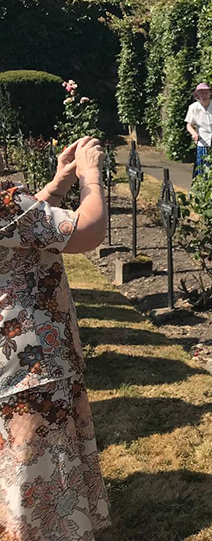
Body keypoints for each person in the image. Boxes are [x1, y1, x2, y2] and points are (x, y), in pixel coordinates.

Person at [0, 136, 111, 539]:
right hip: (31, 369)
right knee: (41, 488)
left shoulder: (8, 208)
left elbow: (19, 227)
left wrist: (57, 183)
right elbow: (88, 230)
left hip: (11, 367)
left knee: (15, 478)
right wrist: (90, 177)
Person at [185, 82, 212, 175]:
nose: (204, 95)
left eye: (206, 93)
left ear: (210, 94)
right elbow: (189, 125)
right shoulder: (193, 107)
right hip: (203, 142)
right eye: (201, 93)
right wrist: (194, 133)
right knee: (203, 168)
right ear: (198, 95)